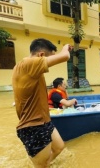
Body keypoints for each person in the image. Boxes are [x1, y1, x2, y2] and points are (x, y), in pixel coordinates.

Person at [12, 38, 72, 167]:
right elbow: (65, 56)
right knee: (41, 166)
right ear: (41, 55)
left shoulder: (26, 68)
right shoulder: (29, 64)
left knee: (59, 147)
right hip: (33, 126)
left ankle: (45, 164)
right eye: (49, 58)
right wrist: (66, 47)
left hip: (44, 121)